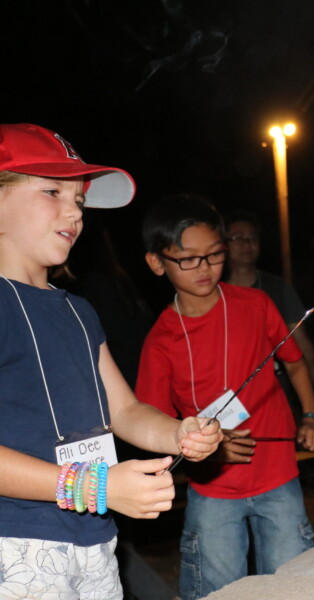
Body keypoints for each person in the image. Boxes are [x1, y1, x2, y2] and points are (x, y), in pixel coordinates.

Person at [0, 123, 222, 599]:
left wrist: (178, 431)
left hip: (95, 537)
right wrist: (93, 488)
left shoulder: (78, 311)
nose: (73, 212)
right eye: (52, 191)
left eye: (79, 200)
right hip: (14, 543)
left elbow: (123, 411)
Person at [136, 195, 314, 600]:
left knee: (294, 586)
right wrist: (207, 449)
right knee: (217, 592)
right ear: (157, 262)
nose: (204, 268)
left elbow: (293, 362)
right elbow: (154, 426)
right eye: (188, 259)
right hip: (212, 490)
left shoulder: (256, 304)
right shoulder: (160, 340)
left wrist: (311, 415)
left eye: (214, 255)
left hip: (278, 475)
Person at [223, 210, 314, 428]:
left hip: (277, 398)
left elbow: (304, 349)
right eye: (237, 237)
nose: (246, 244)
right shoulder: (212, 292)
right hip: (229, 403)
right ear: (222, 244)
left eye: (252, 238)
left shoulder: (277, 289)